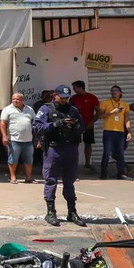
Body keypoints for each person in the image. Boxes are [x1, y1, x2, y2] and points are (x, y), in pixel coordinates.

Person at [34, 85, 87, 227]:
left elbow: (83, 128)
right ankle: (50, 212)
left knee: (70, 181)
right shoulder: (46, 109)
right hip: (54, 149)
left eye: (66, 98)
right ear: (55, 95)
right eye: (61, 97)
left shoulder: (73, 110)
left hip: (71, 149)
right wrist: (57, 124)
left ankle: (72, 212)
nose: (64, 100)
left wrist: (74, 125)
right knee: (51, 180)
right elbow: (38, 127)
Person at [98, 85, 133, 180]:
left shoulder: (125, 104)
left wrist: (129, 131)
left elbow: (127, 119)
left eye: (116, 91)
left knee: (120, 153)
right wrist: (112, 112)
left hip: (120, 132)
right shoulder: (105, 103)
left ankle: (120, 173)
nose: (114, 92)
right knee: (106, 153)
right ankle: (103, 173)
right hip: (108, 131)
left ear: (120, 93)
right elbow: (100, 115)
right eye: (112, 91)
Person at [0, 92, 37, 184]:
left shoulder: (29, 109)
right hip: (14, 139)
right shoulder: (7, 109)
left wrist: (37, 137)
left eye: (17, 99)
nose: (15, 101)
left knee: (29, 160)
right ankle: (13, 177)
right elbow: (3, 123)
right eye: (14, 99)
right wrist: (4, 136)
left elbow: (35, 122)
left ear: (23, 100)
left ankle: (29, 177)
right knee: (13, 159)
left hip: (28, 139)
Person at [70, 81, 101, 172]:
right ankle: (74, 163)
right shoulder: (73, 98)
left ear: (80, 87)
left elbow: (98, 111)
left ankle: (88, 163)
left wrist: (92, 121)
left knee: (88, 143)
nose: (74, 90)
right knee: (74, 143)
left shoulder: (91, 97)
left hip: (88, 124)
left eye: (75, 88)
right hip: (76, 124)